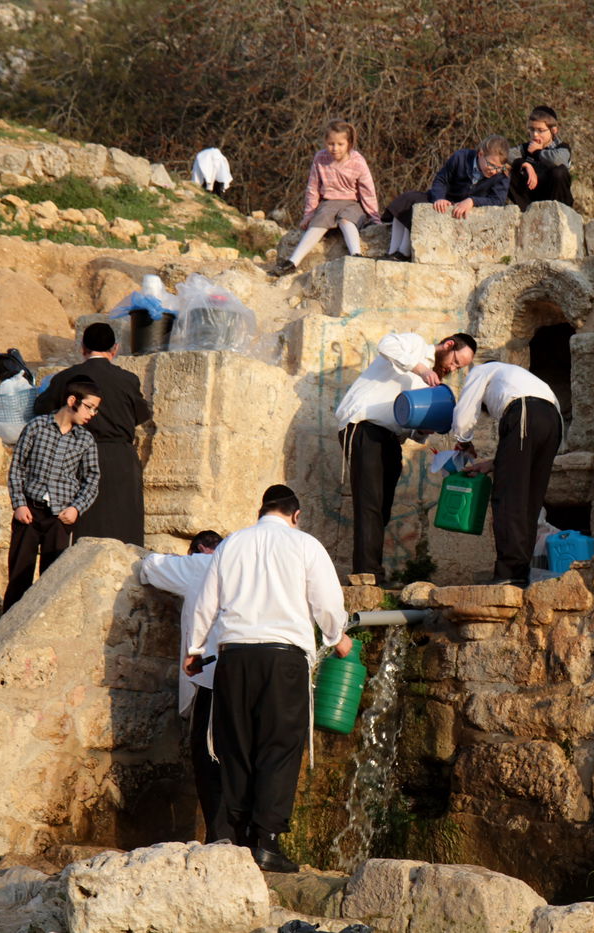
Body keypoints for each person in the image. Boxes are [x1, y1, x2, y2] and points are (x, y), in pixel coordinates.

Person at [185, 485, 351, 873]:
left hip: (234, 658)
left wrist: (193, 650)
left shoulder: (231, 545)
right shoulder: (305, 544)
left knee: (236, 744)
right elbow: (326, 602)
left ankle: (239, 835)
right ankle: (268, 842)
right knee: (278, 746)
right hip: (283, 658)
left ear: (261, 511)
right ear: (296, 514)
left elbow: (206, 600)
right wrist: (336, 636)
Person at [335, 333, 478, 583]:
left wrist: (423, 430)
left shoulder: (428, 383)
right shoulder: (416, 347)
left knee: (383, 507)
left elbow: (407, 424)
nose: (452, 368)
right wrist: (422, 369)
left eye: (459, 368)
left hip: (390, 437)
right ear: (449, 345)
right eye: (455, 362)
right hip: (363, 426)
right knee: (369, 501)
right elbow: (385, 344)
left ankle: (371, 570)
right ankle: (366, 574)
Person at [139, 529, 227, 841]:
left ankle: (219, 835)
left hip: (213, 673)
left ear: (201, 548)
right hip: (264, 670)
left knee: (209, 754)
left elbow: (149, 567)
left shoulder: (200, 564)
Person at [35, 322, 153, 546]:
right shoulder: (128, 380)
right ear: (115, 349)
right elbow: (142, 414)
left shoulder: (67, 378)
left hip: (77, 455)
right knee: (123, 527)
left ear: (82, 347)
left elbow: (41, 408)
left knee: (83, 527)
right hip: (121, 460)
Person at [450, 362, 561, 587]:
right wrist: (493, 464)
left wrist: (463, 441)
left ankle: (509, 572)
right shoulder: (518, 378)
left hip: (524, 412)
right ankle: (520, 572)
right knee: (530, 499)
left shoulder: (481, 371)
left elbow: (464, 412)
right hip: (553, 422)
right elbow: (522, 451)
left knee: (509, 497)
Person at [3, 379, 102, 610]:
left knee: (52, 578)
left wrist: (77, 508)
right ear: (72, 401)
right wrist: (19, 504)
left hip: (60, 517)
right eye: (89, 406)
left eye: (96, 409)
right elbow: (17, 466)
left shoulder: (85, 440)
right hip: (29, 511)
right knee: (19, 574)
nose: (93, 413)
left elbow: (92, 479)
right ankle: (4, 629)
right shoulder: (36, 427)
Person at [273, 120, 381, 277]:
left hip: (352, 203)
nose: (335, 148)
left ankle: (356, 255)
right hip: (328, 202)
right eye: (331, 143)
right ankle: (293, 262)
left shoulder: (358, 161)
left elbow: (367, 191)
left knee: (347, 220)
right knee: (320, 220)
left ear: (349, 144)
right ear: (325, 142)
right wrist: (309, 214)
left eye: (340, 144)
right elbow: (313, 188)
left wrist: (374, 217)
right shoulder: (320, 158)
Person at [381, 135, 511, 262]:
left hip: (464, 205)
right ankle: (392, 251)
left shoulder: (502, 176)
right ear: (481, 154)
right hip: (445, 199)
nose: (494, 171)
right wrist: (439, 198)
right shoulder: (461, 157)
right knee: (409, 199)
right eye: (491, 165)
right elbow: (441, 179)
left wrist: (472, 201)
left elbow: (497, 201)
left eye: (498, 168)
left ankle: (404, 252)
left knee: (417, 210)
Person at [507, 106, 573, 211]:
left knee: (559, 172)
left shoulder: (562, 147)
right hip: (531, 197)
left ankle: (558, 213)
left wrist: (538, 152)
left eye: (540, 130)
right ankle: (526, 212)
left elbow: (558, 160)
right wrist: (525, 165)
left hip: (556, 201)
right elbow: (505, 154)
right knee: (505, 170)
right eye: (532, 130)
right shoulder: (526, 148)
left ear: (553, 130)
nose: (535, 135)